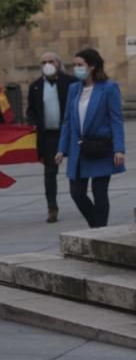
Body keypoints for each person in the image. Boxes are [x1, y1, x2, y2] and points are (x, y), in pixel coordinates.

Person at [55, 48, 126, 228]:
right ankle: (97, 227)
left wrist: (119, 149)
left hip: (100, 147)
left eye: (80, 65)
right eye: (74, 65)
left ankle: (100, 230)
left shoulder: (108, 88)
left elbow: (116, 120)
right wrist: (61, 149)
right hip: (79, 149)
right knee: (76, 193)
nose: (76, 69)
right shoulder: (74, 89)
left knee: (100, 193)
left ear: (92, 66)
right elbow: (67, 122)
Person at [26, 52, 77, 223]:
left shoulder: (71, 82)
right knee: (50, 172)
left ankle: (80, 196)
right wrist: (32, 123)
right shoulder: (35, 86)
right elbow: (31, 110)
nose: (47, 64)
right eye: (43, 62)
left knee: (77, 167)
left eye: (51, 61)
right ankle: (52, 207)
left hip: (70, 133)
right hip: (48, 135)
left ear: (58, 63)